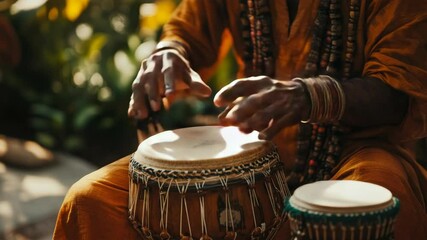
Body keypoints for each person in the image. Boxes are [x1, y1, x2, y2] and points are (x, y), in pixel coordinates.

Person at [53, 0, 427, 239]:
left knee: (386, 202)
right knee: (90, 201)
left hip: (356, 150)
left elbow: (398, 92)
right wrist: (169, 52)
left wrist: (308, 96)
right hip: (253, 144)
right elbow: (188, 31)